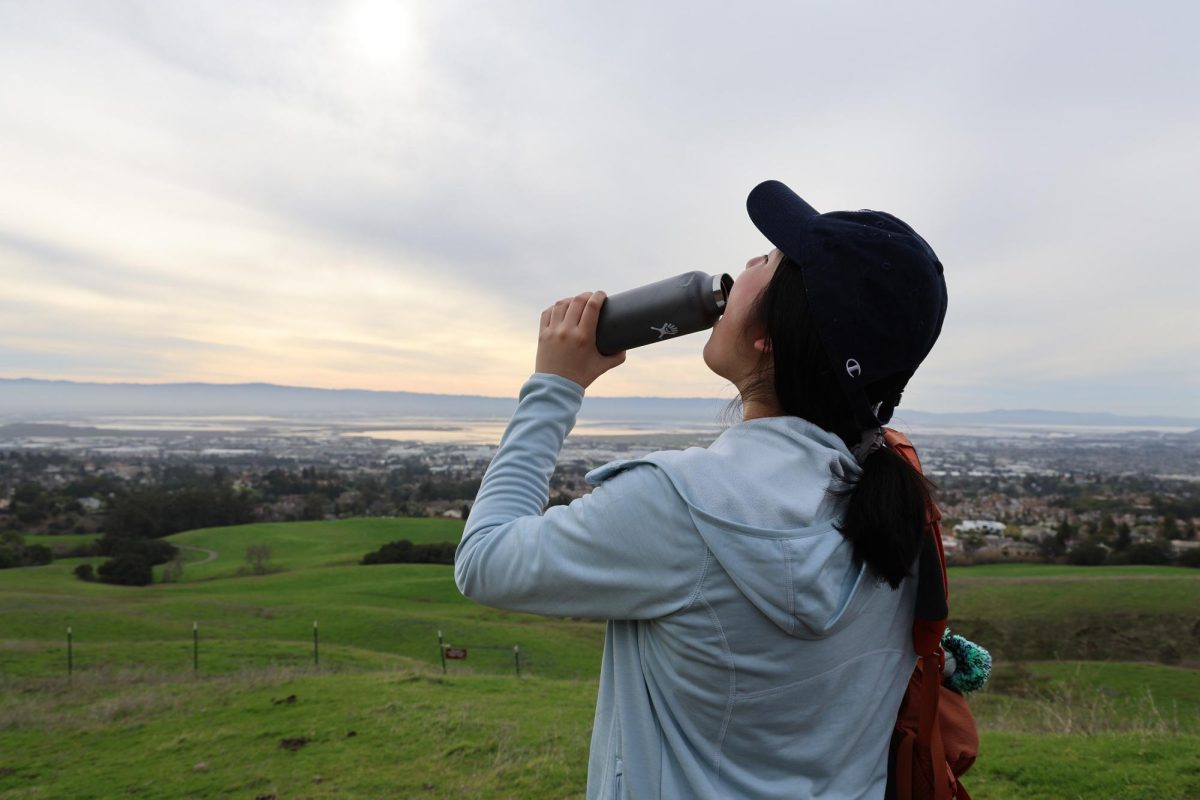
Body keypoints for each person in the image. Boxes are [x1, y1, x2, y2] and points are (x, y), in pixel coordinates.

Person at [455, 179, 949, 799]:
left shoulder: (682, 508)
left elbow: (484, 559)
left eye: (767, 261)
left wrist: (554, 385)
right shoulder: (897, 502)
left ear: (770, 335)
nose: (746, 263)